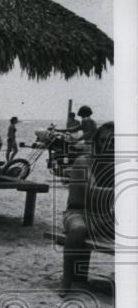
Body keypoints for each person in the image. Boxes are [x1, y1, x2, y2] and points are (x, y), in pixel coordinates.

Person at [61, 121, 115, 294]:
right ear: (97, 141)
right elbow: (92, 192)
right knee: (77, 229)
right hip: (78, 213)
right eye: (105, 140)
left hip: (105, 217)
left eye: (114, 141)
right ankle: (67, 279)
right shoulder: (83, 161)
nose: (108, 145)